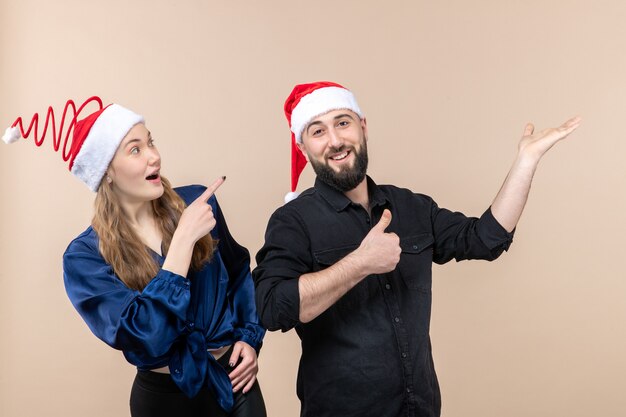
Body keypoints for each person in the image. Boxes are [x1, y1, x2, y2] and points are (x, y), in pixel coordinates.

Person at [253, 81, 581, 417]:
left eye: (342, 122)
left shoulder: (411, 207)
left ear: (363, 127)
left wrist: (526, 161)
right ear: (303, 148)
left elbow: (486, 238)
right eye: (317, 131)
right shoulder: (293, 221)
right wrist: (360, 264)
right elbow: (273, 307)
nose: (335, 140)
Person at [2, 97, 266, 417]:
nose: (154, 157)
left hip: (235, 386)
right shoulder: (83, 257)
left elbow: (239, 273)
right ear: (107, 172)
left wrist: (249, 339)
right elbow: (143, 334)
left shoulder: (198, 201)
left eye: (150, 142)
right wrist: (181, 246)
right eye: (135, 149)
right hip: (163, 403)